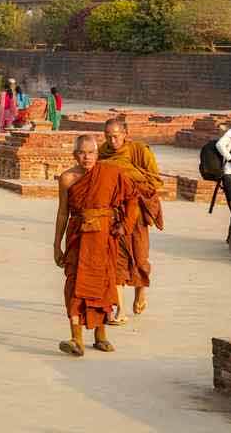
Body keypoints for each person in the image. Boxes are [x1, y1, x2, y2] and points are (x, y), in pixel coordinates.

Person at [54, 134, 136, 357]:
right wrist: (56, 245)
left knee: (103, 284)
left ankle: (100, 336)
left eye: (91, 152)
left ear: (97, 154)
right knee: (74, 285)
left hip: (103, 237)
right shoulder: (67, 178)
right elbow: (63, 213)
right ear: (74, 154)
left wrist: (124, 225)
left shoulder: (111, 173)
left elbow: (132, 198)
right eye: (82, 152)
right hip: (78, 236)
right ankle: (76, 339)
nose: (86, 157)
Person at [98, 117, 164, 322]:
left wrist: (129, 182)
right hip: (114, 213)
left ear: (125, 134)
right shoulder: (102, 153)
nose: (112, 141)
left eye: (116, 136)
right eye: (108, 137)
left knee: (140, 257)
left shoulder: (139, 151)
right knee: (116, 260)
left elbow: (155, 181)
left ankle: (140, 292)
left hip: (136, 213)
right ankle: (121, 310)